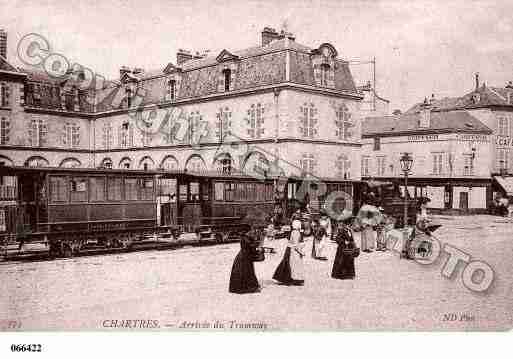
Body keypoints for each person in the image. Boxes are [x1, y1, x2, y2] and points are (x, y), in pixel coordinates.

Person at [229, 227, 262, 294]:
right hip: (245, 257)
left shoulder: (245, 237)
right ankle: (248, 288)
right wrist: (259, 245)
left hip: (243, 256)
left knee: (246, 272)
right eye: (250, 231)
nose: (251, 232)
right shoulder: (245, 238)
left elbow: (251, 245)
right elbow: (251, 246)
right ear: (247, 231)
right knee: (247, 272)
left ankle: (247, 286)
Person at [273, 219, 305, 286]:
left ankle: (285, 278)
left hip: (289, 249)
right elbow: (296, 244)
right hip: (293, 250)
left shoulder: (293, 232)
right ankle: (294, 279)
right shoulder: (296, 232)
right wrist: (301, 252)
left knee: (287, 263)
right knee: (294, 264)